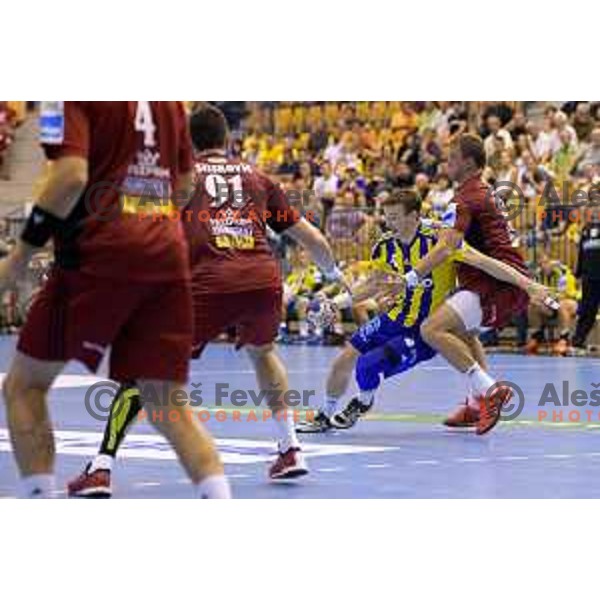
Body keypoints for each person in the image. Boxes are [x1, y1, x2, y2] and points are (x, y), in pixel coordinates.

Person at [68, 104, 347, 497]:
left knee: (138, 370)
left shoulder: (183, 177)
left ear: (187, 141)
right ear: (227, 140)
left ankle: (100, 468)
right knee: (264, 352)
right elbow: (314, 240)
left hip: (209, 283)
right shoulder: (258, 177)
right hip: (262, 281)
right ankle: (291, 449)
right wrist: (333, 275)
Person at [0, 101, 229, 499]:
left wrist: (18, 258)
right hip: (166, 254)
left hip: (99, 252)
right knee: (170, 409)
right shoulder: (171, 101)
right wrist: (149, 225)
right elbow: (185, 185)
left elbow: (70, 176)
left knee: (25, 386)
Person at [297, 188, 554, 433]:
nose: (388, 222)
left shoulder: (442, 240)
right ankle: (324, 415)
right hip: (394, 318)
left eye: (395, 217)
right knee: (344, 358)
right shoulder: (385, 245)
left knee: (367, 365)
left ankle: (363, 402)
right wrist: (337, 303)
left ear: (414, 216)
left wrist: (529, 285)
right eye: (386, 216)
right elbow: (373, 284)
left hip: (424, 328)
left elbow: (486, 263)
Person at [397, 133, 532, 435]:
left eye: (452, 158)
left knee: (431, 329)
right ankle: (475, 405)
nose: (446, 162)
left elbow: (446, 247)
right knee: (466, 334)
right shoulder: (482, 192)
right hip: (501, 281)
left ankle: (492, 391)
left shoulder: (465, 198)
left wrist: (409, 278)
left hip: (494, 283)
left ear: (468, 162)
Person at [525, 254, 579, 356]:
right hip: (551, 303)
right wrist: (542, 301)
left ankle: (564, 339)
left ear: (551, 262)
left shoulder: (562, 273)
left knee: (561, 305)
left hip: (570, 301)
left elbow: (561, 296)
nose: (543, 266)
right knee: (532, 304)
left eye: (545, 263)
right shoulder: (538, 275)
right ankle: (537, 336)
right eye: (540, 264)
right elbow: (535, 294)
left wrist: (546, 298)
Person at [572, 210, 600, 350]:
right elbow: (581, 253)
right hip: (589, 277)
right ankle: (578, 341)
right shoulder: (586, 229)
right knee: (587, 311)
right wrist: (577, 274)